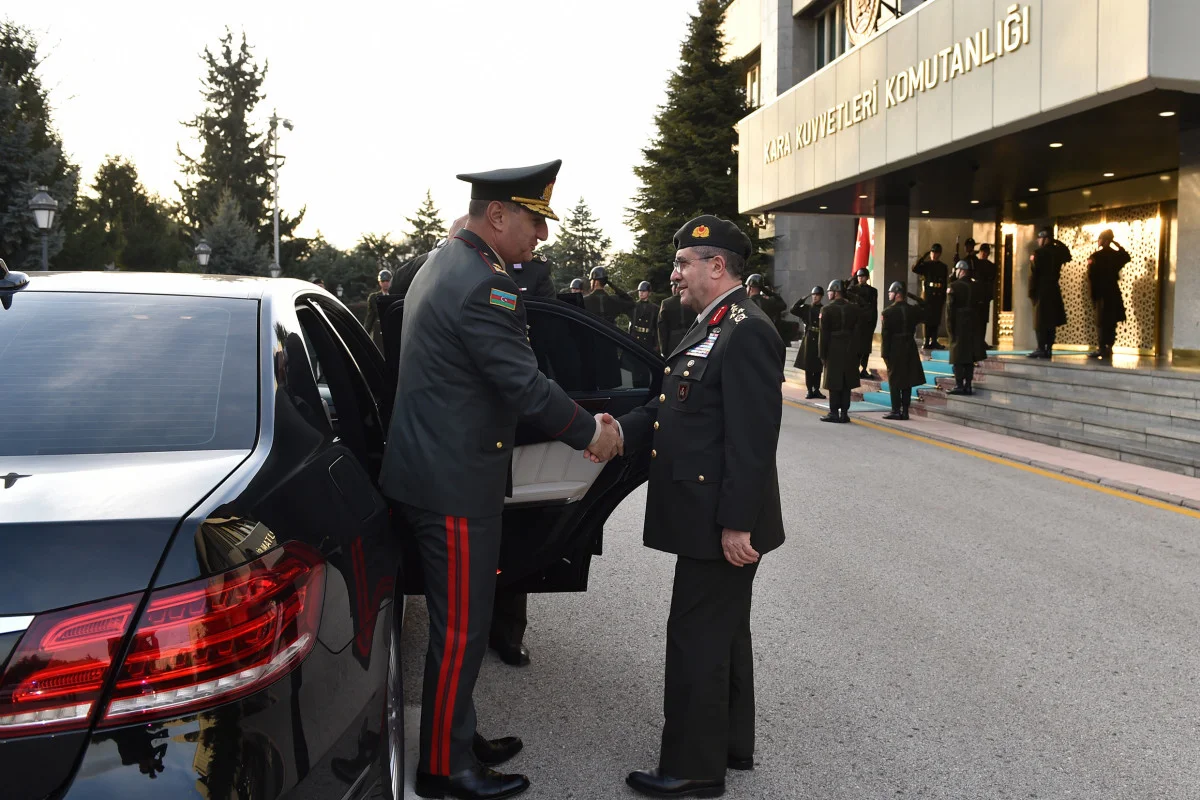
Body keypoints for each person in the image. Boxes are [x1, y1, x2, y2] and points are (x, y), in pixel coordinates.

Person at [379, 159, 623, 800]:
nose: (540, 236)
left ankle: (456, 735)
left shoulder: (444, 261)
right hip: (454, 484)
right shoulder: (488, 286)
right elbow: (521, 383)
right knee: (461, 628)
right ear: (497, 215)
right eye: (534, 220)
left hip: (431, 470)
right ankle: (444, 767)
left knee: (457, 623)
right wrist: (589, 432)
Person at [613, 215, 785, 799]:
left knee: (696, 638)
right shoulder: (713, 323)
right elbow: (672, 407)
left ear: (717, 266)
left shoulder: (745, 330)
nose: (675, 273)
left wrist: (738, 523)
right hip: (709, 516)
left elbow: (754, 439)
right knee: (726, 632)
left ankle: (692, 768)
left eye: (685, 263)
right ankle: (730, 745)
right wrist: (612, 433)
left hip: (721, 522)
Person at [879, 281, 926, 420]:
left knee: (894, 380)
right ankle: (905, 410)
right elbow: (924, 305)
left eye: (891, 292)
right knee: (907, 379)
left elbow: (885, 336)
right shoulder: (913, 310)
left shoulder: (887, 312)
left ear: (897, 293)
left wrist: (884, 354)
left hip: (895, 347)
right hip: (909, 346)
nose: (889, 294)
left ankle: (895, 410)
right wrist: (912, 296)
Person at [1027, 228, 1072, 359]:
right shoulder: (1057, 252)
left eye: (1040, 238)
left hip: (1041, 289)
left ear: (1045, 239)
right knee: (1051, 321)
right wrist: (1057, 242)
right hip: (1054, 288)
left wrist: (1031, 292)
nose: (1038, 240)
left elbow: (1033, 274)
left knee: (1040, 321)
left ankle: (1041, 348)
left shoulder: (1038, 253)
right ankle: (1049, 348)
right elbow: (1068, 255)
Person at [819, 279, 860, 423]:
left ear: (836, 292)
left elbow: (823, 334)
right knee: (846, 382)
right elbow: (858, 331)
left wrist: (822, 354)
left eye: (830, 291)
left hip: (833, 347)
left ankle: (833, 412)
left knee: (834, 382)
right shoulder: (853, 308)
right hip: (849, 347)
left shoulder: (827, 309)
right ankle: (845, 413)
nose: (828, 293)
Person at [1087, 229, 1130, 361]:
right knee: (1111, 322)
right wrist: (1117, 245)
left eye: (1100, 239)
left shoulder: (1095, 256)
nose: (1098, 241)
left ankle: (1101, 348)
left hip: (1101, 292)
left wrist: (1092, 295)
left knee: (1101, 322)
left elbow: (1091, 277)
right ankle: (1109, 347)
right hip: (1113, 291)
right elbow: (1126, 256)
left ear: (1105, 240)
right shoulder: (1116, 255)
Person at [946, 260, 986, 394]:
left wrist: (950, 328)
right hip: (973, 323)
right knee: (969, 356)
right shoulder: (976, 286)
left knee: (957, 355)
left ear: (961, 270)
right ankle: (968, 384)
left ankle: (959, 384)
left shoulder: (954, 286)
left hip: (959, 323)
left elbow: (949, 309)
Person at [912, 243, 950, 349]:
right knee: (927, 319)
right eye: (932, 252)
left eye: (936, 253)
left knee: (936, 319)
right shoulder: (926, 265)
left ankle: (934, 340)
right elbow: (915, 269)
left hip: (938, 295)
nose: (934, 255)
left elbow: (944, 283)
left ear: (939, 254)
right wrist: (923, 257)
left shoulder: (943, 267)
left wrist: (943, 297)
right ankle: (926, 340)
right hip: (928, 295)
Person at [790, 286, 825, 399]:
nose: (815, 297)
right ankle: (809, 390)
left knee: (818, 366)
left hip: (819, 337)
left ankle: (817, 389)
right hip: (809, 338)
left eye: (817, 295)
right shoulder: (806, 308)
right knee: (809, 366)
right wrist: (802, 299)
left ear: (821, 296)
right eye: (813, 295)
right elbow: (793, 309)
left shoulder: (824, 309)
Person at [845, 267, 878, 378]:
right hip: (856, 322)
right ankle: (855, 368)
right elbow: (842, 290)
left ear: (867, 277)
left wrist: (873, 323)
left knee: (866, 348)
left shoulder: (873, 291)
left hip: (867, 322)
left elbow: (874, 308)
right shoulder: (852, 290)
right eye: (858, 276)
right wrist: (850, 279)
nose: (860, 278)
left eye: (862, 276)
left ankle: (863, 368)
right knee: (856, 347)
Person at [657, 280, 697, 356]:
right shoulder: (693, 301)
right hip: (691, 340)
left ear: (675, 287)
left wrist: (663, 349)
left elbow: (662, 328)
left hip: (673, 344)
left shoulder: (666, 303)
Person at [975, 243, 998, 349]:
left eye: (986, 252)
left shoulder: (991, 266)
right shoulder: (975, 263)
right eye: (982, 252)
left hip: (985, 295)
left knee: (984, 319)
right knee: (976, 319)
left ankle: (981, 340)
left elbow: (992, 280)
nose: (984, 254)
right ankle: (976, 340)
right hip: (976, 295)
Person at [363, 269, 392, 349]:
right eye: (383, 281)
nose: (385, 283)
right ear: (380, 282)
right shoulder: (373, 298)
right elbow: (370, 318)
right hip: (380, 331)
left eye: (387, 281)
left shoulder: (396, 294)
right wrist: (364, 335)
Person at [630, 280, 660, 353]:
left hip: (648, 339)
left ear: (649, 293)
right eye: (640, 291)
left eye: (643, 291)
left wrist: (657, 344)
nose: (641, 293)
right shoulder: (633, 306)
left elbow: (657, 327)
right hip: (635, 337)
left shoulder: (655, 308)